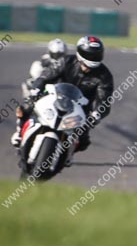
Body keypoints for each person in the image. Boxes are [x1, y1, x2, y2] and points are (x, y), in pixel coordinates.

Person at [11, 36, 114, 164]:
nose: (92, 59)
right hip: (54, 97)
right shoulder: (66, 61)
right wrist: (36, 89)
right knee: (26, 107)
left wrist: (97, 114)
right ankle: (19, 132)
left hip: (80, 108)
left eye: (96, 56)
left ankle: (68, 153)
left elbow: (104, 100)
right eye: (89, 55)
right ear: (80, 53)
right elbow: (45, 76)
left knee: (83, 140)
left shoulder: (104, 76)